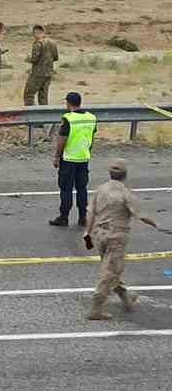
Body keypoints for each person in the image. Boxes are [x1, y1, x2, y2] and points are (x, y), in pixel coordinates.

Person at [83, 159, 162, 320]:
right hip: (116, 237)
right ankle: (96, 307)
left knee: (111, 266)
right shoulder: (125, 194)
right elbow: (140, 215)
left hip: (100, 235)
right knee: (111, 272)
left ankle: (125, 296)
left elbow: (90, 212)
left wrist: (87, 232)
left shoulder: (101, 189)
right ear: (125, 175)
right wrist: (157, 224)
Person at [49, 92, 95, 228]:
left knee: (66, 189)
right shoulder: (91, 117)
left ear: (68, 103)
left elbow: (62, 139)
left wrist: (57, 156)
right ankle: (83, 217)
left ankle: (64, 217)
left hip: (69, 159)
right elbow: (91, 137)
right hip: (83, 157)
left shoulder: (68, 118)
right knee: (82, 189)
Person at [23, 25, 59, 106]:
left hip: (37, 73)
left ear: (35, 33)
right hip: (49, 72)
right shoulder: (53, 42)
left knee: (29, 94)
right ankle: (44, 113)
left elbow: (35, 58)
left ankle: (31, 113)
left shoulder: (38, 43)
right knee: (43, 95)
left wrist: (28, 59)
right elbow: (56, 58)